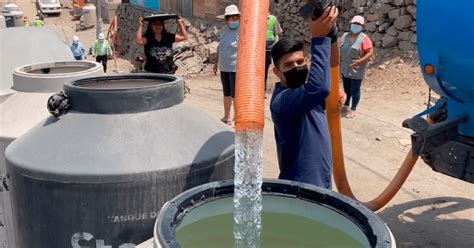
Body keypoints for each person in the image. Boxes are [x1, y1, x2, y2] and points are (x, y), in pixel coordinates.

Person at [270, 6, 338, 189]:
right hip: (300, 188)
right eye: (289, 64)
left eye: (300, 62)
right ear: (277, 72)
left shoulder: (305, 93)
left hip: (320, 181)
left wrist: (332, 34)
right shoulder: (282, 102)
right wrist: (318, 38)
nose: (297, 67)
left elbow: (330, 70)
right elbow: (319, 88)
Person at [339, 15, 374, 118]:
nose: (356, 26)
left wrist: (360, 61)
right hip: (345, 67)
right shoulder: (345, 36)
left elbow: (370, 52)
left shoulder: (364, 38)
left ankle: (353, 109)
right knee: (346, 88)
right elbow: (337, 47)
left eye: (358, 24)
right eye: (354, 23)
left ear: (362, 27)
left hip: (357, 69)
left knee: (355, 89)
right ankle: (345, 105)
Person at [213, 4, 240, 125]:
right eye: (231, 18)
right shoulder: (224, 30)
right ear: (227, 19)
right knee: (226, 93)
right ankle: (227, 117)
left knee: (235, 95)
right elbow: (220, 47)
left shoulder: (242, 31)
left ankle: (237, 118)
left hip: (236, 68)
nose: (234, 20)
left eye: (236, 18)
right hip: (224, 67)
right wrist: (215, 63)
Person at [265, 13, 283, 94]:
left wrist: (276, 47)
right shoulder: (256, 16)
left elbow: (277, 33)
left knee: (264, 71)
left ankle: (263, 91)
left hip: (268, 50)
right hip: (256, 50)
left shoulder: (273, 19)